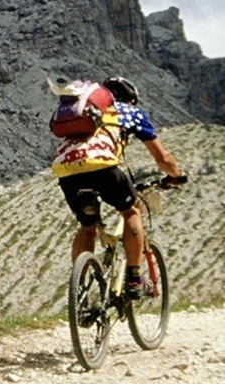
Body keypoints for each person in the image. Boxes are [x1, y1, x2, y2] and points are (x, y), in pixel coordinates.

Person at [50, 76, 187, 298]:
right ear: (131, 100)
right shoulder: (130, 112)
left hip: (67, 171)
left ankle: (79, 291)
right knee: (131, 212)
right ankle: (133, 279)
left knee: (88, 227)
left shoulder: (85, 110)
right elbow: (162, 158)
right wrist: (176, 175)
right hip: (103, 168)